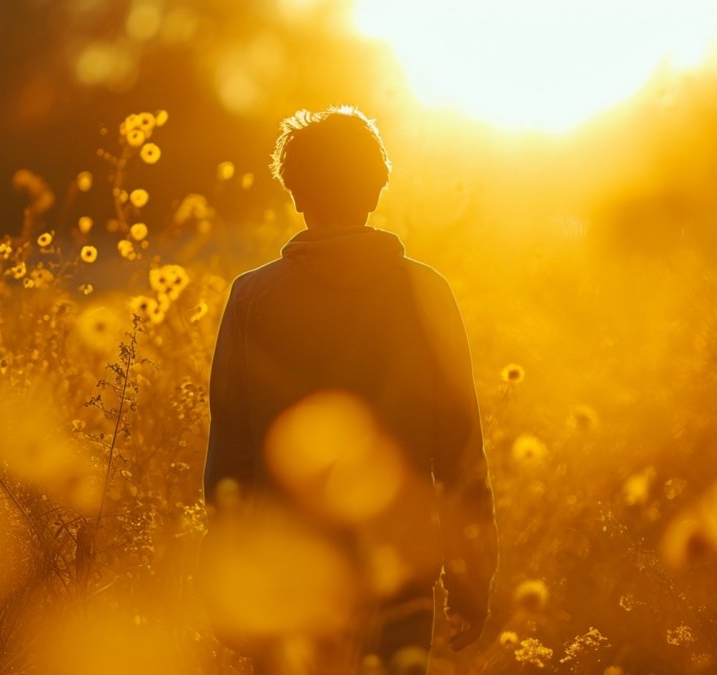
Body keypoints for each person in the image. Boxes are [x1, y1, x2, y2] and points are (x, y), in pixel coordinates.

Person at [202, 106, 497, 675]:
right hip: (400, 577)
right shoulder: (426, 293)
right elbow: (461, 455)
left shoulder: (252, 299)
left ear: (294, 194)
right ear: (377, 187)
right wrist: (470, 576)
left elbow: (230, 459)